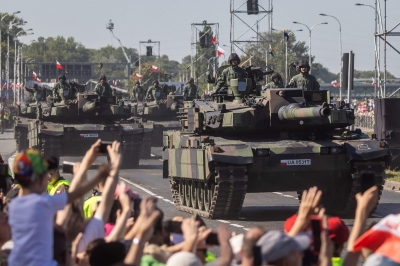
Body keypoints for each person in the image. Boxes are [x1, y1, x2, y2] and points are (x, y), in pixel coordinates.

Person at [8, 147, 111, 266]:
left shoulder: (13, 205)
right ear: (41, 180)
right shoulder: (43, 203)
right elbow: (75, 193)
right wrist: (95, 175)